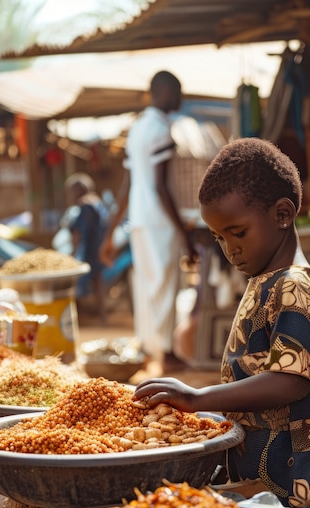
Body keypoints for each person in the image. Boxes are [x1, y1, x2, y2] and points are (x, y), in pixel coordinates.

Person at [133, 137, 310, 508]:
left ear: (282, 214)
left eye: (238, 233)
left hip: (294, 486)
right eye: (219, 238)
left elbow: (290, 379)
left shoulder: (294, 284)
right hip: (259, 478)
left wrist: (197, 400)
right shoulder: (265, 279)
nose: (229, 249)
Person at [99, 70, 196, 374]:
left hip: (139, 220)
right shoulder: (160, 129)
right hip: (159, 221)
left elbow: (127, 186)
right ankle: (165, 353)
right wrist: (184, 234)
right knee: (165, 286)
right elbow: (160, 187)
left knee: (146, 286)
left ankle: (147, 348)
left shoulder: (138, 128)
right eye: (177, 91)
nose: (180, 98)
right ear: (164, 92)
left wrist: (111, 231)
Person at [61, 172, 110, 321]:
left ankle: (74, 319)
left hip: (88, 250)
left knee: (74, 284)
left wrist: (73, 253)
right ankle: (103, 318)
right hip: (99, 248)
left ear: (78, 190)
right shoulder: (98, 201)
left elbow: (78, 232)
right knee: (97, 283)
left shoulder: (85, 205)